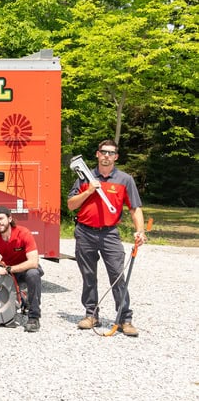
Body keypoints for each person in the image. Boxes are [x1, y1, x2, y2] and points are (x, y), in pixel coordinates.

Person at [67, 139, 147, 336]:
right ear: (97, 154)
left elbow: (135, 208)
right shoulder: (84, 176)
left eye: (111, 153)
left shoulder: (124, 179)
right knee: (88, 276)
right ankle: (91, 315)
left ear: (116, 157)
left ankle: (124, 319)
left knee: (117, 276)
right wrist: (89, 191)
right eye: (103, 152)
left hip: (110, 233)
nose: (106, 156)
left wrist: (140, 231)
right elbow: (71, 205)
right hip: (85, 232)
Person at [0, 206, 43, 332]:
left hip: (23, 269)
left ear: (10, 218)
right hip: (8, 271)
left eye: (1, 218)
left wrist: (8, 269)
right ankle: (18, 302)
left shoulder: (23, 233)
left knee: (33, 274)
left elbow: (33, 262)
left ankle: (34, 317)